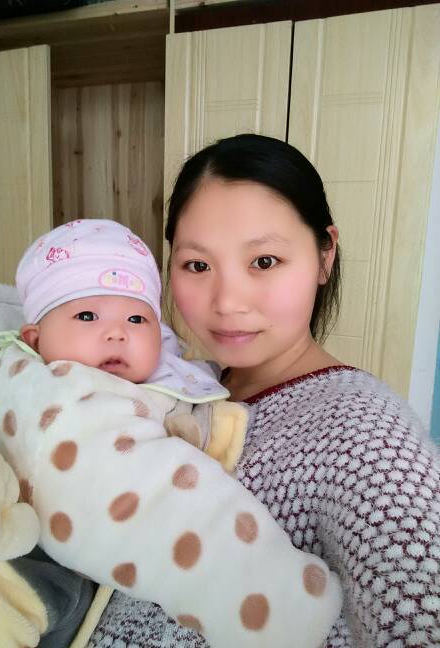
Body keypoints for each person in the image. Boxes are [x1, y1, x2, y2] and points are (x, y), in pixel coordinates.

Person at [88, 134, 440, 648]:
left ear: (325, 254)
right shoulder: (188, 385)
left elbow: (419, 600)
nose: (227, 302)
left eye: (265, 261)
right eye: (198, 265)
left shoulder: (365, 432)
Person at [0, 218, 343, 648]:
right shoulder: (60, 397)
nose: (117, 332)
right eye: (87, 315)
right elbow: (158, 504)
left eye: (137, 318)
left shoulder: (147, 367)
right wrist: (284, 604)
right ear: (35, 339)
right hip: (32, 587)